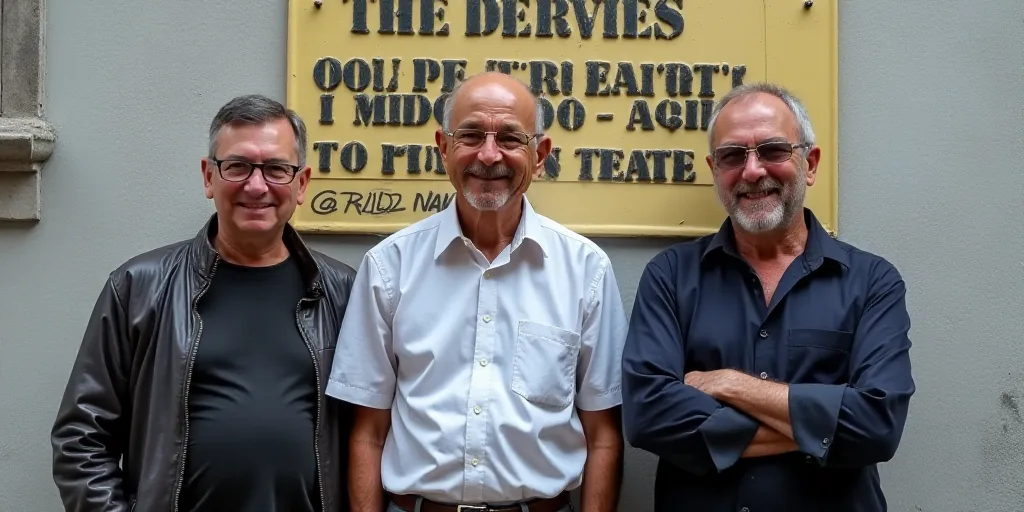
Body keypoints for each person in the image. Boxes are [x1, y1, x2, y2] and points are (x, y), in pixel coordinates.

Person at [325, 72, 627, 512]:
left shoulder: (585, 270)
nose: (488, 155)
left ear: (539, 155)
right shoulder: (389, 267)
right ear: (443, 148)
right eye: (470, 136)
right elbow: (367, 432)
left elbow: (603, 436)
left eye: (509, 138)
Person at [51, 94, 357, 512]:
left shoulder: (343, 292)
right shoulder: (139, 287)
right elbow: (81, 436)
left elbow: (370, 435)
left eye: (276, 169)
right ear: (208, 177)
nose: (256, 185)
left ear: (300, 183)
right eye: (237, 166)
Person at [621, 82, 915, 511]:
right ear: (714, 168)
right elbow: (648, 415)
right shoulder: (670, 276)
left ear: (809, 163)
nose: (752, 171)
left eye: (773, 151)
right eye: (733, 156)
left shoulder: (872, 282)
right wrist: (821, 425)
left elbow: (876, 425)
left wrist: (729, 384)